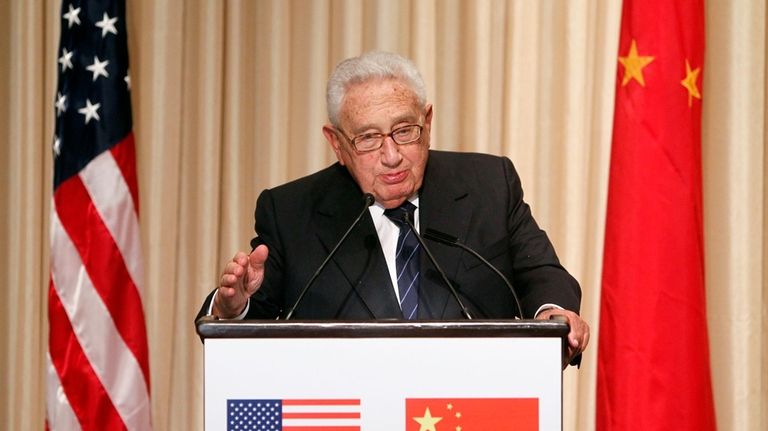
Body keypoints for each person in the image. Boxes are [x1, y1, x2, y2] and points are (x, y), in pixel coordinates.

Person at [196, 51, 589, 363]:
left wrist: (553, 314)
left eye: (404, 131)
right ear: (336, 143)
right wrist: (233, 307)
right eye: (368, 138)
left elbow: (541, 274)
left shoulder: (488, 184)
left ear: (428, 121)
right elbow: (247, 324)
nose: (391, 155)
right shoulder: (292, 213)